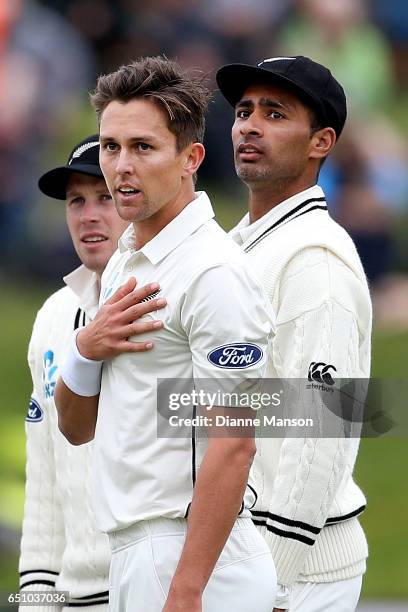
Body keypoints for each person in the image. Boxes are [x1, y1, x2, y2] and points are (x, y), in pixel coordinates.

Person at [54, 56, 277, 612]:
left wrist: (187, 588)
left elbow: (234, 443)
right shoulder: (128, 264)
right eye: (111, 147)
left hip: (192, 562)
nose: (120, 167)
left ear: (190, 158)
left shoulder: (213, 271)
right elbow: (77, 430)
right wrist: (83, 350)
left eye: (143, 147)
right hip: (137, 553)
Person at [216, 56, 372, 612]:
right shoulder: (238, 247)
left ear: (320, 142)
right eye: (243, 111)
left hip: (296, 573)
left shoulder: (315, 259)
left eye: (275, 113)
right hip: (241, 558)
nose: (249, 126)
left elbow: (320, 431)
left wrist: (274, 584)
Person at [19, 134, 165, 610]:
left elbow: (228, 440)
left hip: (156, 584)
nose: (88, 216)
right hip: (76, 593)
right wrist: (37, 595)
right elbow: (45, 476)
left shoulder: (172, 303)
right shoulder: (53, 316)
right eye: (76, 201)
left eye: (104, 197)